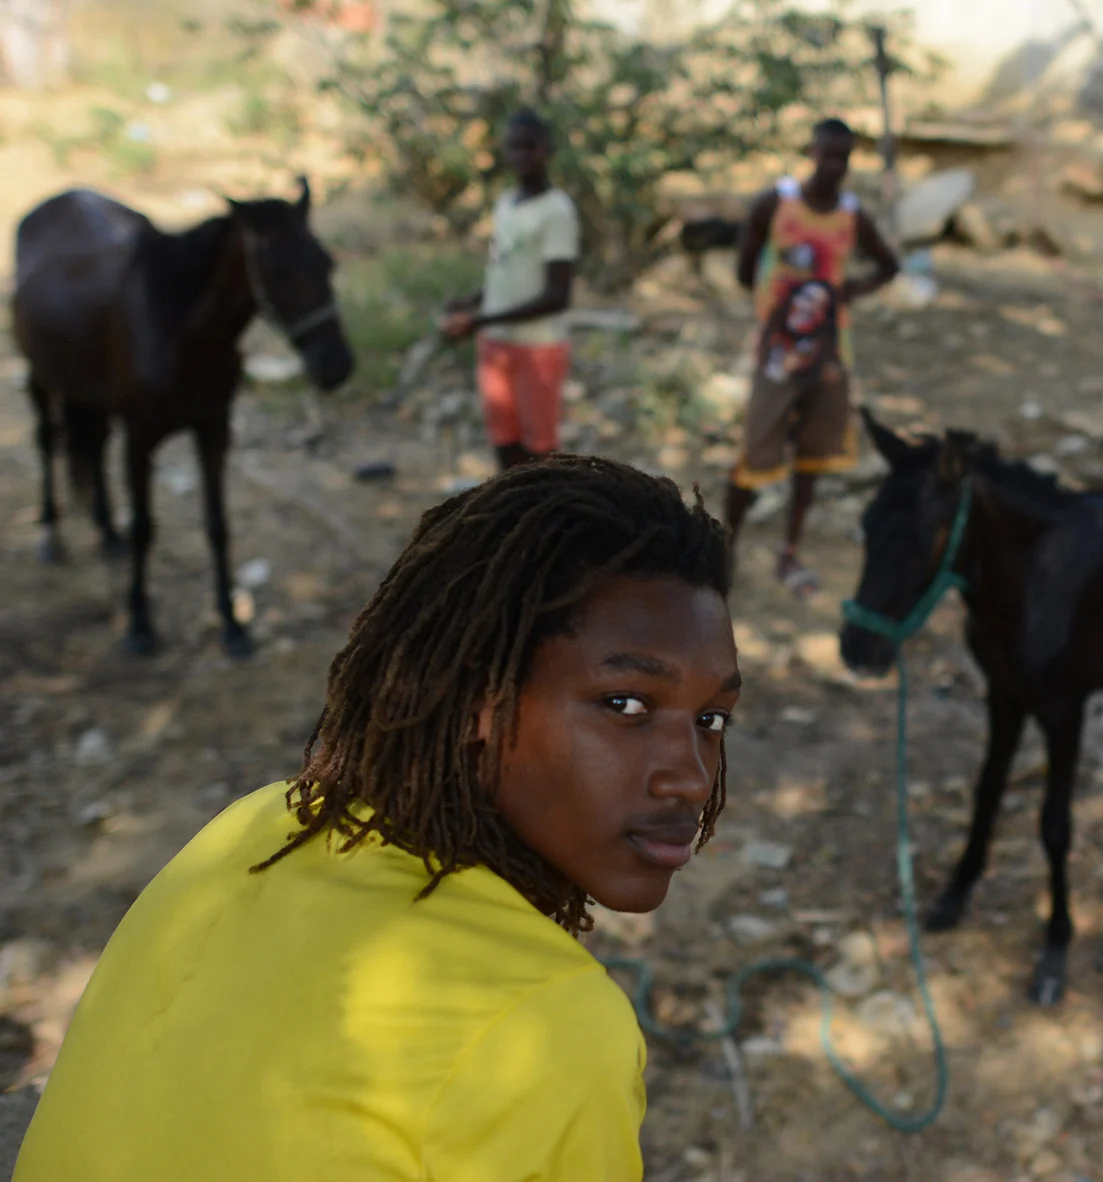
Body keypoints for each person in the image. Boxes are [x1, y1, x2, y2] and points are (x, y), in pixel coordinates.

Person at [13, 457, 741, 1181]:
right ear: (476, 701)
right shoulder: (547, 1024)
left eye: (711, 718)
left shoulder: (257, 826)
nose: (691, 775)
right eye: (626, 705)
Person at [726, 117, 899, 598]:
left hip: (828, 355)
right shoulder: (776, 203)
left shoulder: (851, 214)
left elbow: (889, 264)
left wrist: (846, 293)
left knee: (812, 456)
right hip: (778, 354)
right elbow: (745, 263)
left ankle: (789, 553)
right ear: (810, 152)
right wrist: (772, 306)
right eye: (827, 154)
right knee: (754, 451)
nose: (835, 165)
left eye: (844, 157)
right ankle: (727, 550)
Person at [443, 108, 580, 471]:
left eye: (530, 146)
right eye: (514, 146)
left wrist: (479, 319)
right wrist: (471, 302)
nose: (521, 154)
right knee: (504, 438)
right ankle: (513, 517)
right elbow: (503, 269)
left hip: (538, 346)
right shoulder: (506, 202)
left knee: (540, 448)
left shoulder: (557, 212)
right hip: (495, 341)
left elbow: (557, 295)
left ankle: (545, 521)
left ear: (547, 150)